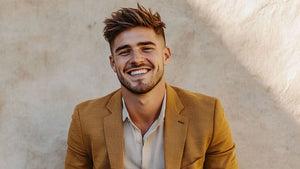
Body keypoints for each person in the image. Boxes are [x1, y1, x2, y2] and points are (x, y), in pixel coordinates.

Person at [65, 3, 239, 169]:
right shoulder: (85, 119)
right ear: (113, 63)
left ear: (166, 55)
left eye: (146, 48)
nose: (136, 59)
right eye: (124, 52)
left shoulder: (208, 114)